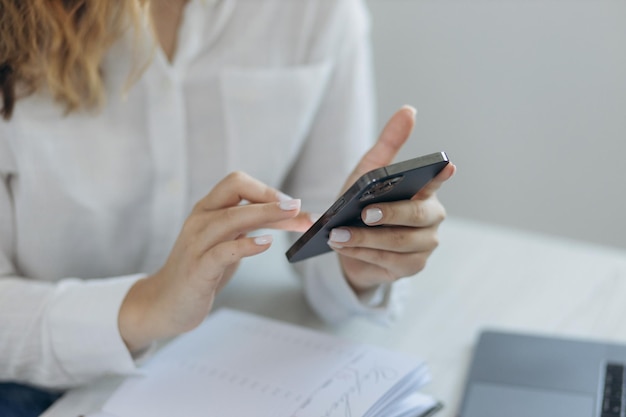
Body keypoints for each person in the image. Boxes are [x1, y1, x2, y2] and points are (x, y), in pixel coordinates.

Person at [0, 0, 456, 415]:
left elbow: (318, 224)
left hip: (217, 367)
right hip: (28, 377)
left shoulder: (317, 12)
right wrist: (148, 305)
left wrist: (361, 259)